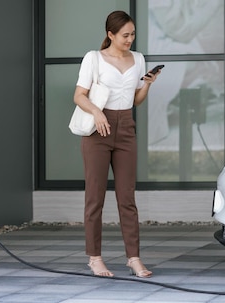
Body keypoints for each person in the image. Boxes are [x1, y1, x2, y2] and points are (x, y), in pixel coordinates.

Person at [73, 10, 161, 278]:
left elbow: (135, 100)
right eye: (125, 35)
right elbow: (79, 96)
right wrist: (98, 113)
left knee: (127, 197)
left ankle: (133, 258)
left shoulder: (138, 59)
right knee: (95, 198)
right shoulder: (94, 58)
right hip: (98, 129)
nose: (130, 40)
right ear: (110, 34)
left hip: (126, 129)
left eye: (133, 34)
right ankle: (95, 258)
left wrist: (147, 85)